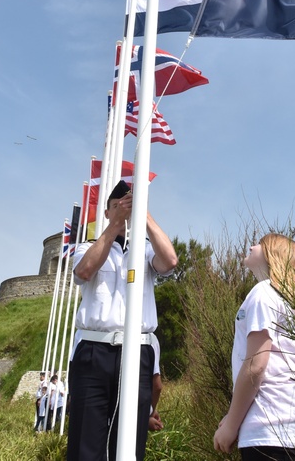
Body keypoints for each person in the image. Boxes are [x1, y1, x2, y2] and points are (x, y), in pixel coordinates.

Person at [67, 180, 178, 461]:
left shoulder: (143, 249)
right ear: (106, 213)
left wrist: (145, 215)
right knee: (85, 444)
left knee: (129, 444)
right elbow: (84, 271)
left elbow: (170, 262)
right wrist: (114, 226)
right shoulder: (87, 246)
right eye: (116, 207)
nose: (123, 211)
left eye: (128, 206)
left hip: (136, 353)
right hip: (94, 350)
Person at [214, 233, 295, 460]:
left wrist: (231, 427)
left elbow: (256, 365)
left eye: (259, 243)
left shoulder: (263, 292)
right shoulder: (294, 298)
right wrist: (232, 416)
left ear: (272, 254)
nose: (251, 246)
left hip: (266, 430)